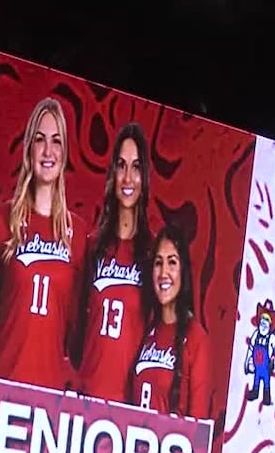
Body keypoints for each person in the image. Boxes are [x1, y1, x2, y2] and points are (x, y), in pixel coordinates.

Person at [0, 98, 85, 390]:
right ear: (28, 148)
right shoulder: (3, 219)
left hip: (49, 394)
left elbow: (77, 329)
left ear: (65, 153)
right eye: (40, 140)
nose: (48, 151)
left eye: (56, 141)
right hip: (4, 381)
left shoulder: (77, 232)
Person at [74, 123, 153, 402]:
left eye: (136, 166)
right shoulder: (92, 246)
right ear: (112, 174)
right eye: (121, 165)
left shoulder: (153, 255)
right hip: (85, 399)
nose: (128, 177)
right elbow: (75, 327)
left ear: (145, 178)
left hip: (128, 409)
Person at [129, 225, 213, 418]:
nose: (163, 272)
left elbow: (198, 423)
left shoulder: (196, 338)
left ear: (183, 271)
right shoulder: (145, 331)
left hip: (171, 447)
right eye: (158, 263)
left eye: (172, 262)